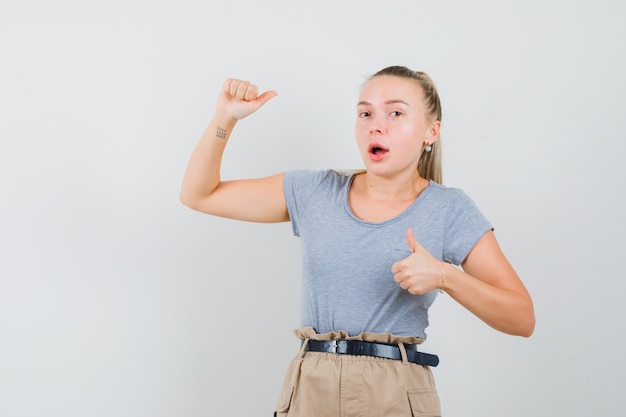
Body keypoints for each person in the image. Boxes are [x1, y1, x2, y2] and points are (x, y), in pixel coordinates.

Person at [180, 65, 535, 417]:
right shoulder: (315, 191)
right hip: (312, 387)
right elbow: (200, 195)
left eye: (395, 113)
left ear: (431, 131)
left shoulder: (449, 209)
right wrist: (225, 118)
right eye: (365, 113)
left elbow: (522, 318)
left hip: (397, 391)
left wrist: (446, 276)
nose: (375, 125)